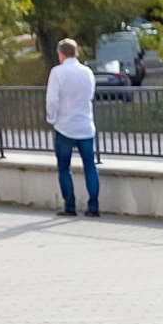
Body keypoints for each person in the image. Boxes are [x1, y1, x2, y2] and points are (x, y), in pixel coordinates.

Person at [47, 37, 98, 217]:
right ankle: (94, 206)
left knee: (64, 167)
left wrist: (52, 118)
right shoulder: (87, 72)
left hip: (65, 126)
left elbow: (52, 99)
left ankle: (70, 206)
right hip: (85, 125)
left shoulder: (57, 72)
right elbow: (90, 95)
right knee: (90, 167)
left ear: (61, 54)